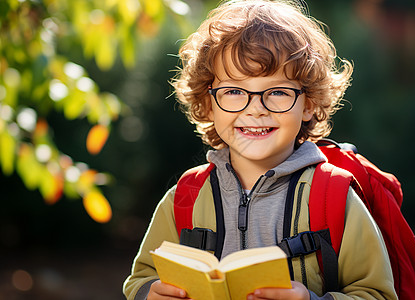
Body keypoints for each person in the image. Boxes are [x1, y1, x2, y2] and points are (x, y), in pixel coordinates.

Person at [123, 0, 398, 299]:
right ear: (208, 102)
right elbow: (141, 279)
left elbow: (377, 294)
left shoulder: (334, 196)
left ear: (308, 104)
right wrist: (150, 293)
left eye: (278, 92)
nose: (255, 109)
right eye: (233, 91)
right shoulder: (185, 196)